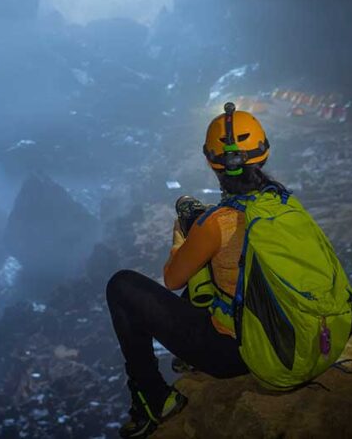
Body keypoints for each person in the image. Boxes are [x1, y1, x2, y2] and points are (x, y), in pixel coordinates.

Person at [106, 102, 285, 438]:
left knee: (121, 286)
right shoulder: (287, 205)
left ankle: (152, 398)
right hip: (294, 340)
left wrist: (183, 239)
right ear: (264, 154)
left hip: (241, 356)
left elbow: (173, 279)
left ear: (210, 161)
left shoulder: (216, 224)